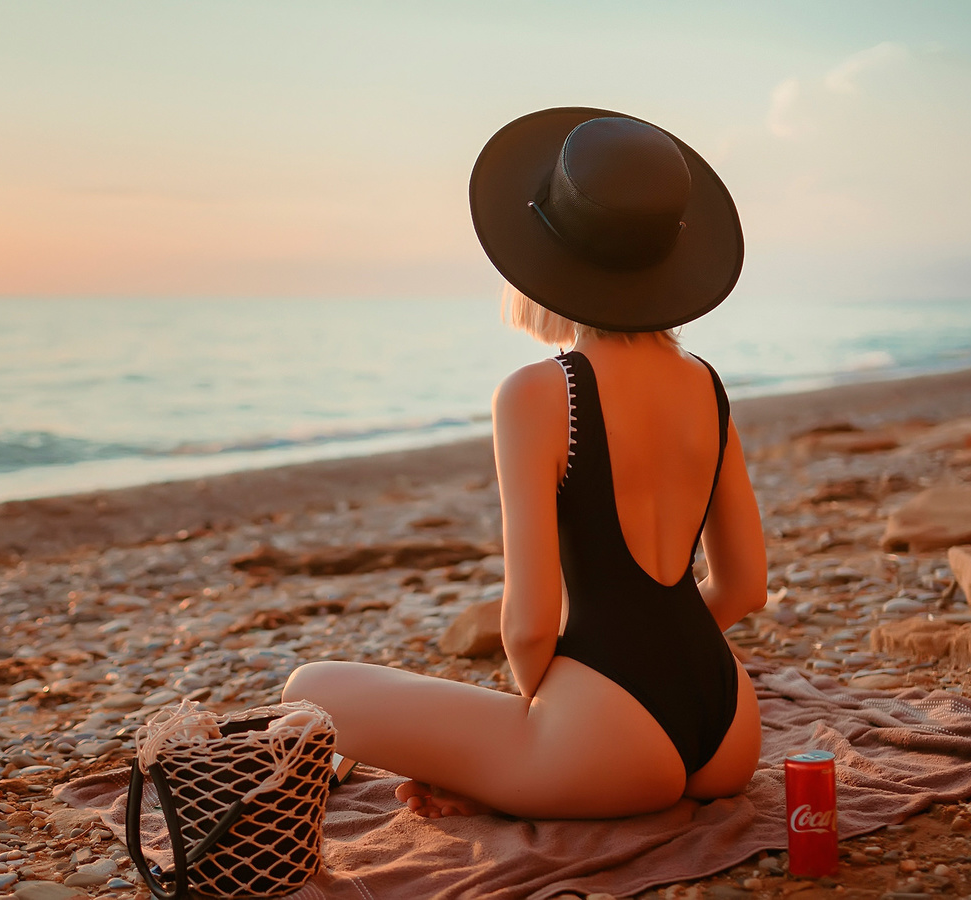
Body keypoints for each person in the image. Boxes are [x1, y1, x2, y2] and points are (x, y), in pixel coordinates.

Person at [281, 108, 767, 819]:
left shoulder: (541, 393)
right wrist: (656, 661)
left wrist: (552, 716)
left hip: (611, 741)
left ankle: (522, 771)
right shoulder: (708, 384)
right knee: (511, 738)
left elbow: (530, 624)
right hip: (728, 727)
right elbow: (746, 586)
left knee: (310, 687)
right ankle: (522, 767)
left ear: (545, 253)